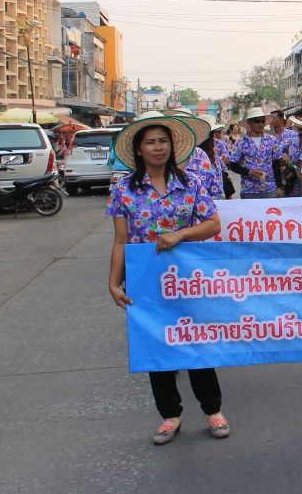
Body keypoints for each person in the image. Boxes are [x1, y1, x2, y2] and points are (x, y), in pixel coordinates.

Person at [105, 111, 228, 445]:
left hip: (186, 279)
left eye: (163, 141)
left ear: (172, 146)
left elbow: (213, 224)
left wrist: (181, 234)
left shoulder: (191, 183)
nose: (158, 147)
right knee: (156, 348)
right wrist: (113, 283)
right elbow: (120, 240)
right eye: (150, 142)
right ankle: (170, 415)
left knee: (196, 342)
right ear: (139, 149)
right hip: (145, 281)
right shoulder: (124, 190)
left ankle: (213, 410)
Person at [227, 107, 285, 199]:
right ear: (249, 123)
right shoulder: (241, 142)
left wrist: (279, 186)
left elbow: (276, 164)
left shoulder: (272, 140)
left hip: (269, 188)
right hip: (249, 189)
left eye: (263, 121)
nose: (261, 124)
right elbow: (233, 165)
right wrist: (249, 172)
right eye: (257, 121)